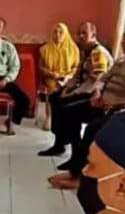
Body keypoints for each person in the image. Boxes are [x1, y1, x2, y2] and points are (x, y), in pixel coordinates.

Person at [46, 30, 125, 184]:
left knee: (91, 129)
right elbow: (103, 78)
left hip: (118, 108)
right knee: (69, 112)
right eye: (124, 41)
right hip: (100, 101)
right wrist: (97, 92)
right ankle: (75, 161)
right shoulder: (121, 61)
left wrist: (117, 105)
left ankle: (80, 174)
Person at [37, 22, 114, 157]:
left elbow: (96, 80)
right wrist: (67, 89)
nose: (81, 36)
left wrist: (73, 93)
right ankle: (59, 143)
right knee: (55, 97)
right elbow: (77, 76)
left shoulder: (98, 53)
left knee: (65, 106)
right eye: (79, 33)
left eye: (85, 33)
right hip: (83, 89)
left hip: (95, 95)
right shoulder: (85, 51)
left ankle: (75, 152)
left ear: (93, 34)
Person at [38, 22, 80, 94]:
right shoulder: (45, 49)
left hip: (68, 78)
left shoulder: (74, 49)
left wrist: (68, 76)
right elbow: (40, 66)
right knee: (53, 88)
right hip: (51, 77)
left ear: (66, 34)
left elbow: (76, 67)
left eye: (61, 33)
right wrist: (50, 73)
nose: (57, 35)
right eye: (55, 32)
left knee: (69, 88)